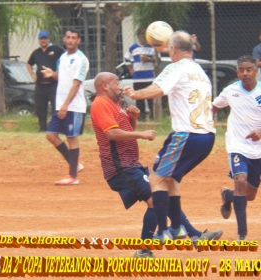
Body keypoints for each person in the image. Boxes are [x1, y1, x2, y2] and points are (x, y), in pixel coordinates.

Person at [91, 72, 222, 258]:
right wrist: (142, 134)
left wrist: (132, 120)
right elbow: (112, 135)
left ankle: (195, 236)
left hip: (130, 164)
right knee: (155, 200)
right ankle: (145, 250)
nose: (120, 87)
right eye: (116, 83)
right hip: (120, 167)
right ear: (105, 86)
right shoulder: (100, 104)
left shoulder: (114, 104)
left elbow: (123, 130)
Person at [124, 31, 217, 243]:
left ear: (172, 49)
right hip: (207, 137)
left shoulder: (176, 67)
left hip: (187, 135)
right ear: (191, 48)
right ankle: (177, 228)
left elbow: (159, 88)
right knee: (171, 179)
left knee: (156, 179)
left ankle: (163, 232)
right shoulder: (199, 70)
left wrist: (136, 94)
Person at [212, 55, 261, 242]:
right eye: (241, 70)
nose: (245, 73)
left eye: (249, 69)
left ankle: (227, 196)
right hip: (238, 146)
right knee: (240, 180)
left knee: (249, 195)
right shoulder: (230, 91)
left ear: (256, 70)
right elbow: (213, 108)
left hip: (258, 149)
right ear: (237, 72)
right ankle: (242, 234)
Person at [41, 29, 89, 185]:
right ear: (64, 39)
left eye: (74, 38)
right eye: (68, 37)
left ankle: (73, 177)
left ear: (78, 41)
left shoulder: (81, 59)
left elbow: (76, 84)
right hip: (60, 105)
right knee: (51, 135)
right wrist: (52, 74)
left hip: (73, 106)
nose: (70, 40)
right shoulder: (63, 57)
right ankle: (75, 164)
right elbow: (62, 76)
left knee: (71, 138)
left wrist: (66, 105)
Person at [27, 30, 65, 132]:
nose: (43, 40)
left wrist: (59, 72)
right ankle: (42, 128)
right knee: (40, 108)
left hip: (53, 84)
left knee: (55, 108)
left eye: (45, 38)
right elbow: (29, 64)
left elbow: (65, 57)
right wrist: (33, 75)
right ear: (39, 40)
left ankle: (56, 128)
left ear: (48, 39)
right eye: (41, 38)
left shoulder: (56, 49)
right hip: (40, 86)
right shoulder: (36, 52)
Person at [124, 28, 157, 122]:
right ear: (138, 36)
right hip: (138, 78)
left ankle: (152, 117)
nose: (144, 38)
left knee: (150, 98)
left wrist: (149, 59)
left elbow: (158, 59)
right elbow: (126, 59)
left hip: (149, 77)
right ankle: (141, 117)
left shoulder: (152, 47)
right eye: (142, 35)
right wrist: (130, 69)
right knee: (139, 98)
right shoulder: (133, 48)